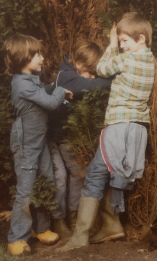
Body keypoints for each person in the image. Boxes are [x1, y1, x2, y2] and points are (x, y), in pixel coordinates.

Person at [58, 12, 155, 251]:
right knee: (113, 175)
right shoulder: (150, 61)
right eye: (120, 42)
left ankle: (79, 237)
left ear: (141, 38)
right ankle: (112, 226)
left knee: (94, 175)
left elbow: (101, 69)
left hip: (119, 127)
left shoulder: (125, 60)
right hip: (136, 129)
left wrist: (111, 44)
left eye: (125, 41)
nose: (122, 46)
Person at [4, 34, 73, 256]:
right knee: (25, 190)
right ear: (24, 58)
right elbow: (51, 103)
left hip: (39, 141)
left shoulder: (32, 81)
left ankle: (40, 228)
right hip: (26, 144)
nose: (42, 58)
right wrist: (61, 90)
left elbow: (45, 93)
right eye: (37, 55)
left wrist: (55, 87)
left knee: (46, 181)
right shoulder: (21, 84)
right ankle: (17, 238)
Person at [46, 40, 112, 239]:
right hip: (49, 138)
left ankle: (74, 215)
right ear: (80, 65)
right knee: (60, 178)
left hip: (66, 138)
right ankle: (58, 221)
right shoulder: (65, 77)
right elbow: (90, 86)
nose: (92, 77)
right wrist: (116, 79)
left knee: (76, 173)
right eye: (91, 72)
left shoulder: (74, 75)